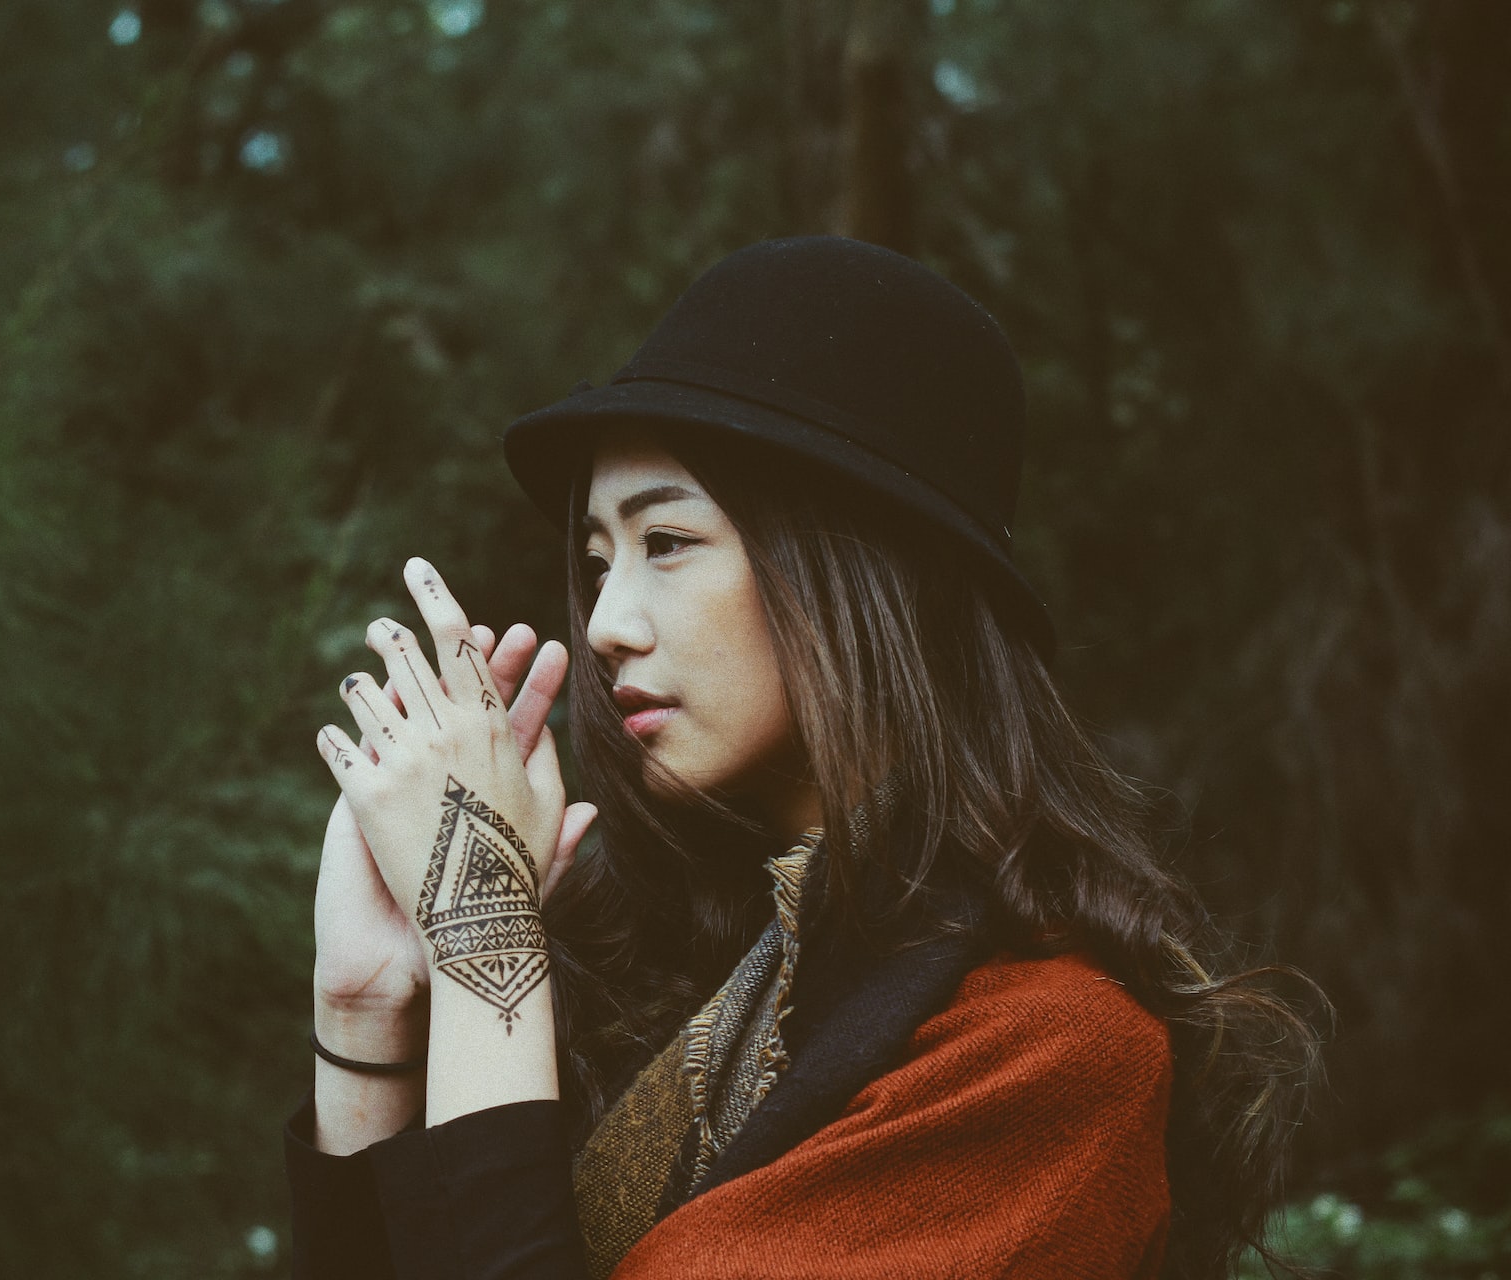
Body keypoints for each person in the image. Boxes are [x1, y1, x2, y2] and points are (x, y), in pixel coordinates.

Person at [283, 237, 1319, 1279]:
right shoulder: (679, 983)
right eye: (597, 563)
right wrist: (365, 1007)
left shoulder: (1052, 1053)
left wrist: (484, 934)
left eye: (667, 543)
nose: (606, 622)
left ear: (855, 563)